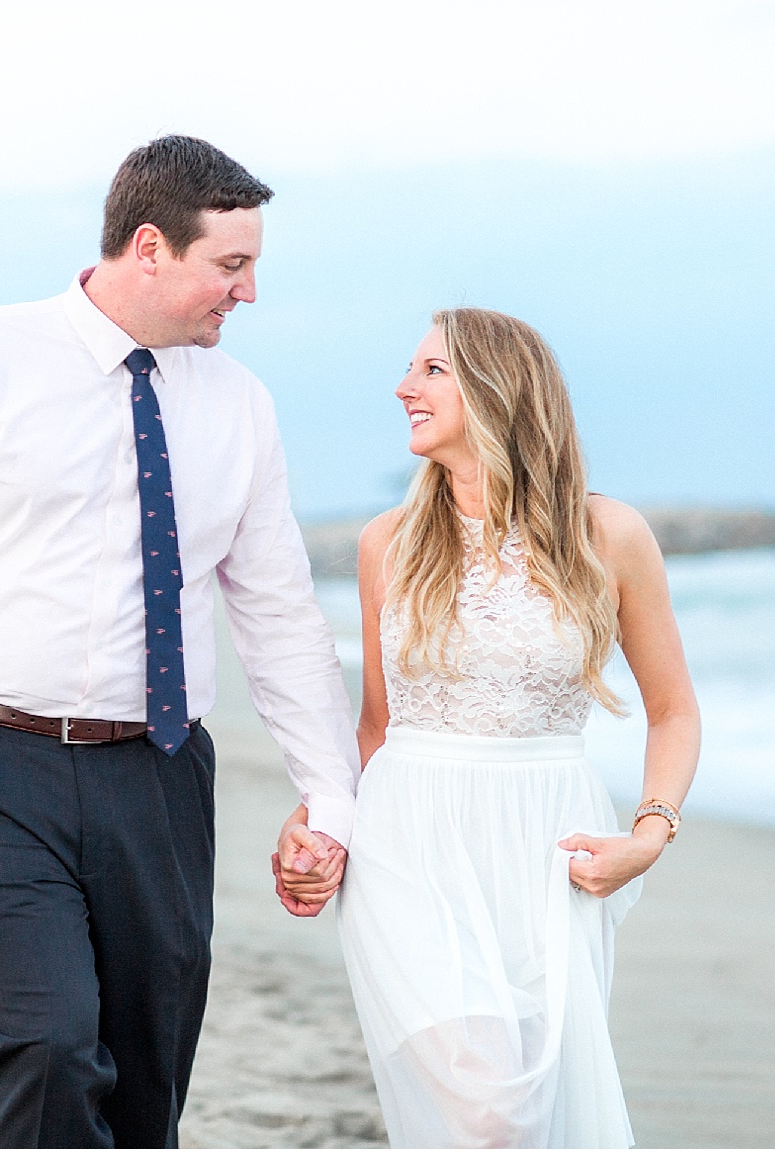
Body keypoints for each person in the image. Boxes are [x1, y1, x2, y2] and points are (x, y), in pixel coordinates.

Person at [0, 135, 357, 1149]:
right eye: (232, 266)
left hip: (159, 779)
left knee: (146, 1075)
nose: (245, 294)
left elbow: (279, 612)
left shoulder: (240, 405)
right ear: (152, 247)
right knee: (50, 1039)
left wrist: (331, 792)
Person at [277, 308, 701, 1147]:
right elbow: (374, 729)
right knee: (489, 1108)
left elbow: (674, 709)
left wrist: (650, 833)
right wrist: (320, 825)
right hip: (410, 843)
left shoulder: (608, 535)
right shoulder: (387, 543)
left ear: (499, 388)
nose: (405, 387)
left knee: (535, 1114)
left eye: (432, 370)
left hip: (549, 850)